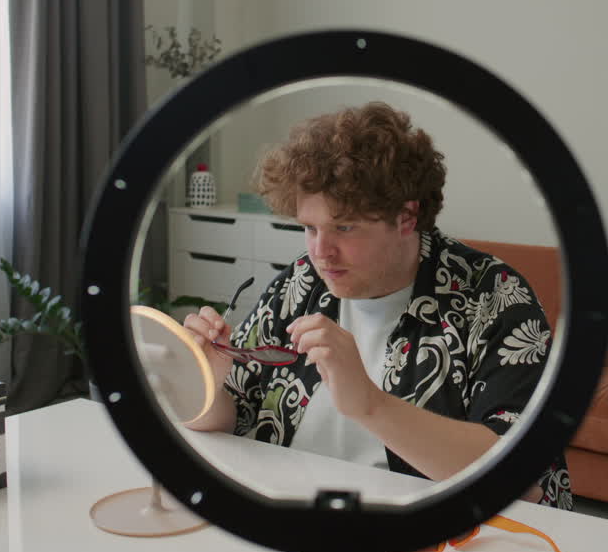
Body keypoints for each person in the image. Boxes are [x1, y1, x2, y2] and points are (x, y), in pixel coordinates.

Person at [183, 101, 571, 509]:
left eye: (344, 227)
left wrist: (369, 403)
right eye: (309, 228)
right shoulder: (299, 285)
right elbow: (233, 416)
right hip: (292, 514)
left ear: (407, 217)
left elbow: (518, 475)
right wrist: (202, 385)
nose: (320, 252)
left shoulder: (494, 298)